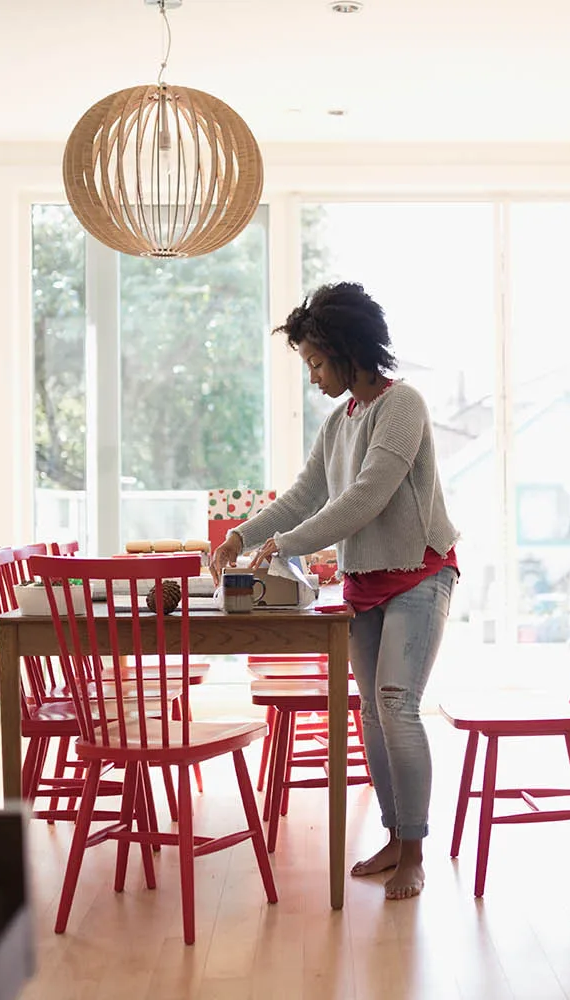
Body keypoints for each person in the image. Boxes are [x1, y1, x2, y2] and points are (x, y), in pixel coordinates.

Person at [210, 281, 459, 900]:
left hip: (419, 574)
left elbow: (364, 498)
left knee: (397, 705)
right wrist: (241, 536)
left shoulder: (404, 407)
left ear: (349, 352)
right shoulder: (339, 420)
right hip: (365, 582)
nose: (314, 376)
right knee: (372, 711)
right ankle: (395, 836)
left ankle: (415, 853)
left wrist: (286, 545)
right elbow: (305, 494)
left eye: (317, 362)